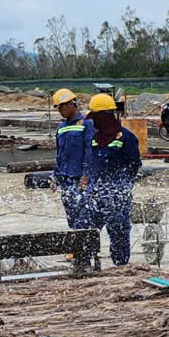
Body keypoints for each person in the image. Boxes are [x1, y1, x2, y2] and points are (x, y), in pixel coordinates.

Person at [82, 92, 143, 266]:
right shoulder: (94, 138)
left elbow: (134, 164)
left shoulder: (126, 137)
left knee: (118, 229)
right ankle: (88, 263)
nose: (93, 122)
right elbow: (90, 162)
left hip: (117, 195)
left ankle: (120, 265)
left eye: (96, 118)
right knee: (88, 229)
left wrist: (122, 185)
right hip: (95, 194)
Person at [51, 88, 92, 241]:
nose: (59, 111)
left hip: (79, 177)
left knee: (82, 212)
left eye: (61, 107)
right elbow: (59, 155)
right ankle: (76, 244)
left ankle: (81, 247)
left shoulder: (86, 125)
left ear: (70, 104)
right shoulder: (61, 128)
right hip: (65, 177)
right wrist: (55, 176)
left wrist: (86, 175)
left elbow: (89, 152)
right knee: (70, 212)